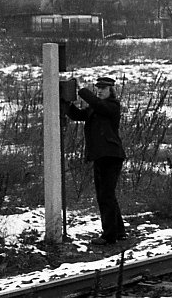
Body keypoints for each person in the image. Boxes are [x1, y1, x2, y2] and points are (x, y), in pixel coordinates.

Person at [66, 75, 127, 245]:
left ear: (111, 91)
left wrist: (81, 89)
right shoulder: (95, 108)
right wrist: (65, 103)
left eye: (103, 89)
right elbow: (77, 115)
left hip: (111, 155)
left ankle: (109, 236)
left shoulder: (112, 106)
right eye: (98, 88)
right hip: (101, 156)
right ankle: (119, 231)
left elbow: (98, 105)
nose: (99, 91)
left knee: (105, 195)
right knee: (106, 195)